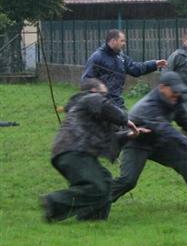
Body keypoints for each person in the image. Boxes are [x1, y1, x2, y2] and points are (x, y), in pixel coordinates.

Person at [111, 71, 187, 213]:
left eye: (179, 91)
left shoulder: (175, 100)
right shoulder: (149, 105)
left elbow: (186, 121)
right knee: (128, 181)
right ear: (162, 87)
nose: (177, 94)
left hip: (159, 141)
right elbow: (165, 128)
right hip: (137, 142)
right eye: (174, 91)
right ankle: (94, 199)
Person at [40, 79, 147, 222]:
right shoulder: (90, 98)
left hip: (71, 153)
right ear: (94, 91)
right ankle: (53, 202)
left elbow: (108, 137)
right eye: (103, 94)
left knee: (105, 182)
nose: (106, 98)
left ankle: (92, 219)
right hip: (74, 152)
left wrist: (130, 134)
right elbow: (111, 111)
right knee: (97, 186)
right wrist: (126, 120)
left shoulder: (89, 112)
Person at [82, 29, 168, 109]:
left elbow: (135, 69)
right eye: (122, 41)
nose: (124, 44)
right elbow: (86, 80)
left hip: (117, 102)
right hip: (102, 104)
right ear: (113, 41)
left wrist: (154, 64)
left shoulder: (120, 57)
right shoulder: (97, 57)